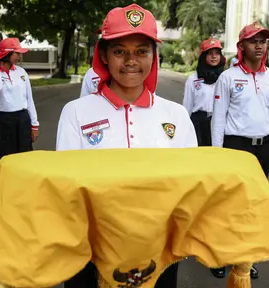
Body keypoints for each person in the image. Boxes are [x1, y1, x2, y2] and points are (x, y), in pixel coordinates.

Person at [56, 4, 198, 288]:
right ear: (104, 56)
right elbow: (67, 186)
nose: (131, 60)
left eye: (142, 51)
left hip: (158, 247)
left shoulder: (176, 115)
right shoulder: (76, 112)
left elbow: (189, 184)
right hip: (92, 247)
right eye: (120, 51)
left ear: (153, 57)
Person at [211, 20, 269, 280]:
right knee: (230, 205)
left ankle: (243, 261)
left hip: (264, 146)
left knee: (254, 206)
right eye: (253, 41)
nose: (259, 46)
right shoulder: (228, 77)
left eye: (263, 41)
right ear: (242, 46)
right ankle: (220, 255)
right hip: (237, 147)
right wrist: (217, 154)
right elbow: (219, 118)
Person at [0, 38, 39, 172]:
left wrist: (34, 124)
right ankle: (2, 189)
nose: (20, 56)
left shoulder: (21, 72)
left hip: (22, 119)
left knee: (23, 159)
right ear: (7, 54)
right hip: (1, 121)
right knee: (2, 160)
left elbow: (29, 99)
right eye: (17, 53)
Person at [183, 38, 225, 146]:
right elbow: (187, 106)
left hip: (218, 122)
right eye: (210, 53)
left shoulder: (225, 78)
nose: (214, 56)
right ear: (203, 56)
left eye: (217, 53)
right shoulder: (193, 79)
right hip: (198, 123)